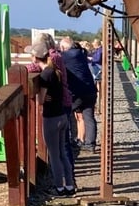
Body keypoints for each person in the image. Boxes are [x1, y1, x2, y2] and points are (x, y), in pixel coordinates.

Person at [30, 40, 76, 196]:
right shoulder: (55, 71)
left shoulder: (44, 75)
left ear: (36, 57)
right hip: (62, 115)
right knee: (63, 153)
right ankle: (70, 185)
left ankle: (59, 187)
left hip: (51, 118)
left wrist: (38, 97)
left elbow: (41, 100)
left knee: (54, 155)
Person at [59, 36, 98, 154]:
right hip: (90, 90)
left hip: (77, 92)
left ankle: (71, 140)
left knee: (69, 114)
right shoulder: (81, 54)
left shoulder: (65, 56)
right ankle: (89, 143)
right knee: (88, 116)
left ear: (63, 47)